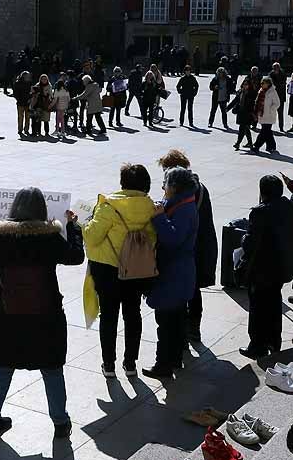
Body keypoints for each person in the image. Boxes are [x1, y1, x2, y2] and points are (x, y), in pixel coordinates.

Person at [0, 190, 83, 436]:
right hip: (47, 317)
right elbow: (76, 256)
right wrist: (73, 227)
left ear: (14, 209)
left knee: (3, 365)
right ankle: (60, 422)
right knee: (52, 368)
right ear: (42, 210)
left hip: (8, 316)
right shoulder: (49, 238)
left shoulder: (0, 237)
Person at [83, 164, 157, 377]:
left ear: (123, 183)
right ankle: (131, 363)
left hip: (107, 269)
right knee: (133, 314)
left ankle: (108, 365)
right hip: (137, 268)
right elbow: (153, 238)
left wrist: (84, 223)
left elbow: (92, 236)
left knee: (108, 316)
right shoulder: (151, 206)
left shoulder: (108, 206)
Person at [143, 166, 199, 378]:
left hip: (174, 275)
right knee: (175, 321)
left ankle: (163, 365)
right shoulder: (183, 202)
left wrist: (159, 218)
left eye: (165, 184)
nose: (163, 188)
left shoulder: (184, 209)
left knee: (166, 323)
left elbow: (173, 238)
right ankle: (174, 359)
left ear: (174, 187)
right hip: (178, 273)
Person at [158, 150, 217, 345]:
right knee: (193, 289)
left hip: (193, 247)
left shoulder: (188, 193)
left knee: (188, 291)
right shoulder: (196, 186)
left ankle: (187, 331)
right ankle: (192, 329)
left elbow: (177, 226)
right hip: (200, 244)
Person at [241, 176, 293, 357]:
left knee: (258, 307)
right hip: (281, 267)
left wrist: (243, 238)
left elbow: (250, 243)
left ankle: (257, 345)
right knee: (274, 303)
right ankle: (274, 342)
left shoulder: (260, 212)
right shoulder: (288, 206)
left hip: (262, 269)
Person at [252, 76, 281, 154]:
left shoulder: (272, 92)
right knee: (267, 131)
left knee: (264, 131)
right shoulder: (261, 90)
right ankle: (271, 146)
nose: (261, 84)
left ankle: (256, 146)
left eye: (263, 83)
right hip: (262, 114)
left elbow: (277, 103)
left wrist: (270, 109)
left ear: (268, 84)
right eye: (261, 83)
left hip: (269, 115)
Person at [230, 77, 258, 150]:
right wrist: (228, 107)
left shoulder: (252, 93)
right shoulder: (240, 92)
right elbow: (235, 100)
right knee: (245, 129)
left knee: (242, 129)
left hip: (248, 113)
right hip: (241, 112)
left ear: (249, 85)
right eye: (244, 84)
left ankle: (238, 143)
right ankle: (250, 144)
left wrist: (253, 114)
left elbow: (253, 105)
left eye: (246, 84)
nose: (245, 86)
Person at [269, 62, 287, 132]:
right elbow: (269, 82)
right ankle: (269, 126)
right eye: (274, 68)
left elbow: (283, 82)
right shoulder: (271, 73)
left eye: (277, 67)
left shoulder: (283, 73)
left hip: (280, 96)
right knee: (270, 112)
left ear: (279, 68)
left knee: (280, 113)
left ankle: (281, 127)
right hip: (272, 96)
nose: (275, 69)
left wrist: (275, 85)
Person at [13, 71, 32, 136]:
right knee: (20, 117)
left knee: (28, 117)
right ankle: (20, 129)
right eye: (27, 76)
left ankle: (26, 129)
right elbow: (15, 93)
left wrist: (30, 97)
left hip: (28, 102)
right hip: (20, 102)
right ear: (23, 76)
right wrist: (19, 99)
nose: (28, 77)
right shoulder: (17, 83)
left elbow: (31, 91)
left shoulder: (29, 83)